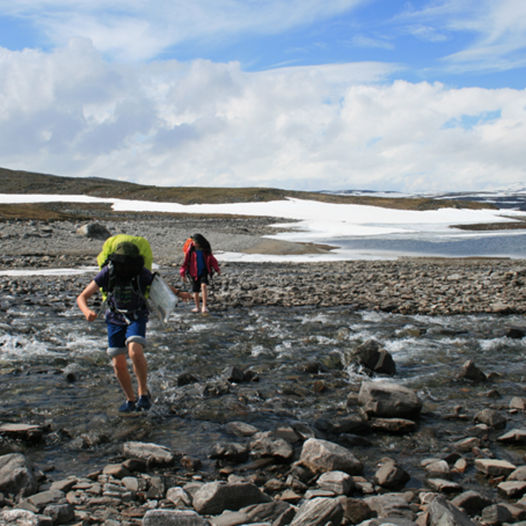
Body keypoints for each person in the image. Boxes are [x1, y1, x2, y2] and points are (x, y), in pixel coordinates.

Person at [77, 241, 189, 413]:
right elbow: (82, 296)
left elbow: (159, 285)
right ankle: (130, 399)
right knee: (118, 362)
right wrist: (87, 311)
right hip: (114, 318)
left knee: (135, 351)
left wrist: (179, 294)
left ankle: (143, 393)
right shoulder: (109, 272)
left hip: (137, 316)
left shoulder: (140, 272)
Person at [180, 233, 220, 313]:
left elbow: (212, 259)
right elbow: (185, 263)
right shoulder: (190, 251)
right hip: (193, 273)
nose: (193, 243)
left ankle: (204, 306)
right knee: (196, 291)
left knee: (204, 285)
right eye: (193, 242)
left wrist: (217, 269)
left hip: (203, 271)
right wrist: (183, 274)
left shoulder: (205, 250)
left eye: (195, 242)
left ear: (199, 243)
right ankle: (197, 307)